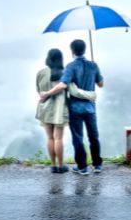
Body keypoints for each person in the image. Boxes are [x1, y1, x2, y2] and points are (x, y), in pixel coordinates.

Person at [40, 39, 104, 175]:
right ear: (85, 49)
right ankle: (97, 165)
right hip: (90, 107)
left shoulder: (71, 66)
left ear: (72, 51)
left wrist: (47, 94)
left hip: (75, 107)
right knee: (94, 136)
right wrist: (93, 72)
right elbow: (101, 84)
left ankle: (82, 167)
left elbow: (63, 85)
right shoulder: (93, 65)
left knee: (78, 138)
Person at [36, 49, 69, 173]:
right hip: (60, 109)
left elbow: (39, 90)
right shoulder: (64, 73)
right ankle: (61, 166)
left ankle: (53, 166)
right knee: (58, 138)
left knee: (50, 138)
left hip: (45, 107)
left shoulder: (41, 73)